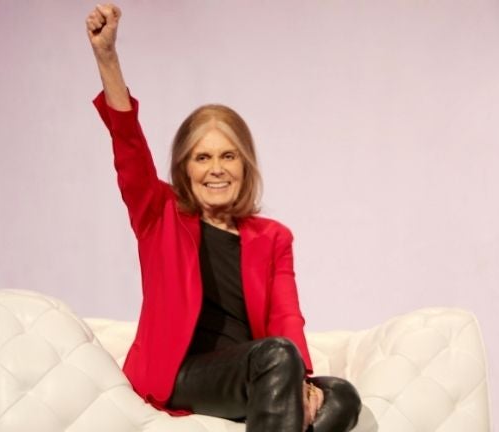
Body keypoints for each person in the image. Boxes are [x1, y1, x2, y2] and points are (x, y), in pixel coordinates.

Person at [86, 4, 361, 432]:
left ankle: (278, 408)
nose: (216, 169)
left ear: (244, 164)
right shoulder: (160, 215)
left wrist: (301, 381)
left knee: (340, 395)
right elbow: (129, 145)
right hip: (182, 374)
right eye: (203, 157)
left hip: (252, 373)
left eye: (228, 156)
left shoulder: (273, 237)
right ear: (185, 167)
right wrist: (107, 57)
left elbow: (286, 316)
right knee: (276, 357)